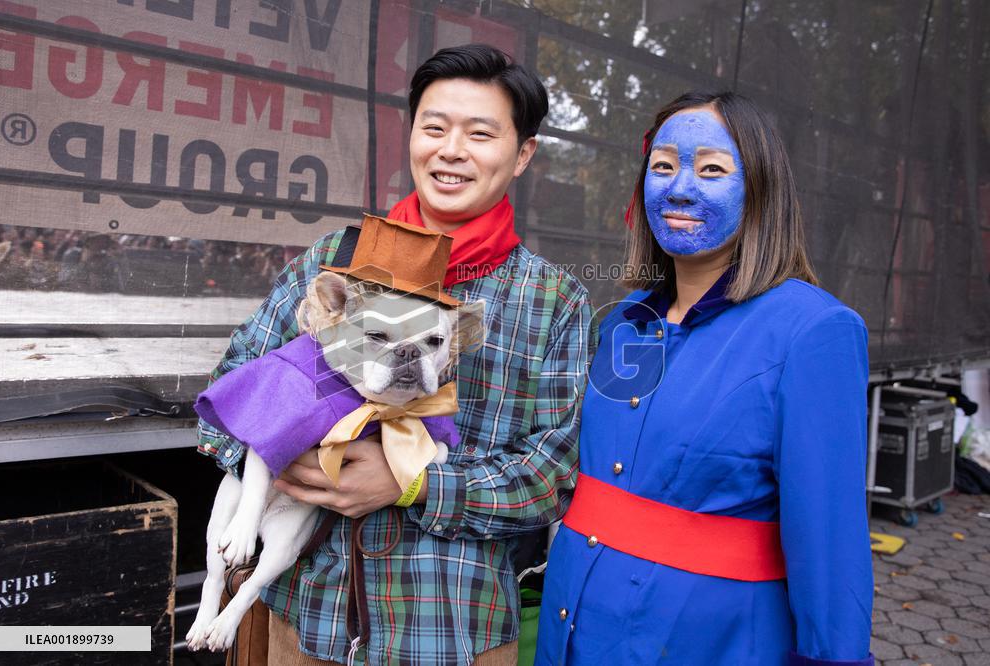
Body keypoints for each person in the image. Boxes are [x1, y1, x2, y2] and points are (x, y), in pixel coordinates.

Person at [197, 44, 593, 665]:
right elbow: (227, 395)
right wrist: (291, 449)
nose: (451, 150)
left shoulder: (551, 300)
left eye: (480, 133)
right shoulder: (336, 257)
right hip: (305, 622)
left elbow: (554, 476)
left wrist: (414, 484)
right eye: (433, 127)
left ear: (522, 155)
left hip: (451, 630)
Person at [534, 91, 874, 665]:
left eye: (711, 169)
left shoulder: (814, 331)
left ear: (761, 189)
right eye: (662, 166)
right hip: (573, 628)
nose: (680, 187)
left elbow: (830, 542)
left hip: (709, 641)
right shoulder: (623, 322)